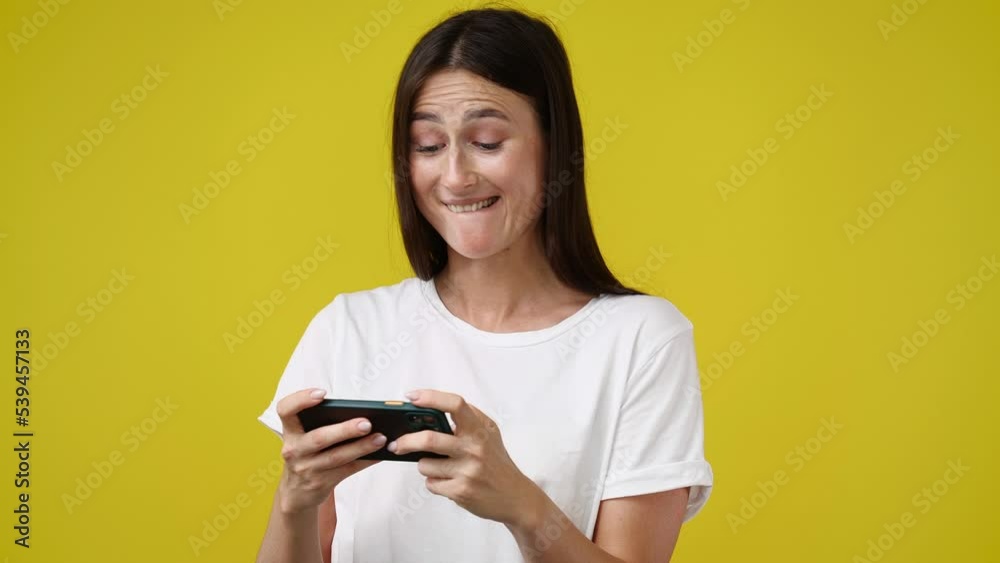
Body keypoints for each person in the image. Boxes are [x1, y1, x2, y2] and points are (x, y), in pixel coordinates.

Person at [255, 7, 713, 563]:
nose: (455, 177)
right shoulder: (348, 328)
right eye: (428, 146)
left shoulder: (642, 338)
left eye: (488, 141)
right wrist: (295, 502)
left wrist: (521, 504)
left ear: (554, 145)